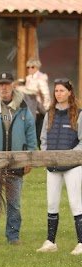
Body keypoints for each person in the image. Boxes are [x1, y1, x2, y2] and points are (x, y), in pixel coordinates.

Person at [0, 71, 37, 245]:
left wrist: (28, 158)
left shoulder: (23, 107)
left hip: (16, 163)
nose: (4, 87)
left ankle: (13, 237)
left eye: (7, 83)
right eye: (1, 84)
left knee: (14, 203)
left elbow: (31, 134)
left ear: (13, 85)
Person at [36, 78, 82, 255]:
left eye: (62, 90)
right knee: (52, 203)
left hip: (73, 166)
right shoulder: (50, 113)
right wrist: (48, 157)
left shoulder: (78, 113)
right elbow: (44, 139)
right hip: (53, 167)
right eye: (56, 91)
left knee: (75, 203)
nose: (59, 94)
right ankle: (50, 241)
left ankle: (81, 242)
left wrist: (69, 156)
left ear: (70, 92)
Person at [22, 58, 51, 143]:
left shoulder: (41, 78)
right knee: (30, 133)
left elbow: (46, 94)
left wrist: (45, 109)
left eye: (32, 67)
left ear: (37, 67)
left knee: (39, 134)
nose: (30, 69)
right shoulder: (28, 78)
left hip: (39, 111)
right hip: (30, 109)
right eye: (28, 67)